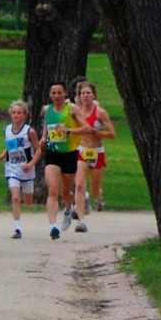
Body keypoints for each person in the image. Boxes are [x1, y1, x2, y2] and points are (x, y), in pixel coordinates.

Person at [40, 81, 81, 240]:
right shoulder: (46, 109)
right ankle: (53, 225)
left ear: (65, 94)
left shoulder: (71, 109)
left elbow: (85, 128)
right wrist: (44, 137)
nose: (56, 96)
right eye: (53, 93)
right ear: (50, 95)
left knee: (65, 192)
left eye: (59, 93)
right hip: (53, 154)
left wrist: (68, 130)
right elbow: (47, 125)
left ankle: (69, 208)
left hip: (69, 153)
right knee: (52, 189)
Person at [72, 80, 114, 229]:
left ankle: (95, 196)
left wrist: (97, 132)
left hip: (97, 152)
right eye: (83, 93)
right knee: (79, 185)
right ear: (79, 96)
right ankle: (81, 221)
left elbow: (112, 134)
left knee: (95, 188)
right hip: (82, 151)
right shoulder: (76, 111)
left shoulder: (100, 112)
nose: (85, 96)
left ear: (93, 95)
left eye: (88, 93)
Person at [0, 99, 39, 238]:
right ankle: (17, 228)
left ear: (24, 115)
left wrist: (31, 164)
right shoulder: (7, 129)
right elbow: (11, 145)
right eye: (14, 112)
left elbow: (38, 149)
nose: (16, 115)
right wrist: (3, 155)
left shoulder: (30, 131)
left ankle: (26, 197)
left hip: (26, 169)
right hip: (12, 168)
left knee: (28, 201)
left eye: (19, 113)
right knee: (15, 198)